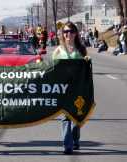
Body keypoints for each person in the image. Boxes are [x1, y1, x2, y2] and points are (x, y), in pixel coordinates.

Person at [52, 22, 88, 154]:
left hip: (78, 90)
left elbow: (87, 71)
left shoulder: (82, 50)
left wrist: (86, 61)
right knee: (65, 117)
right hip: (63, 90)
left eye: (71, 31)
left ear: (76, 33)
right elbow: (52, 70)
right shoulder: (58, 51)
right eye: (66, 32)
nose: (68, 34)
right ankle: (67, 145)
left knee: (76, 118)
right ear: (63, 34)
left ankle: (75, 140)